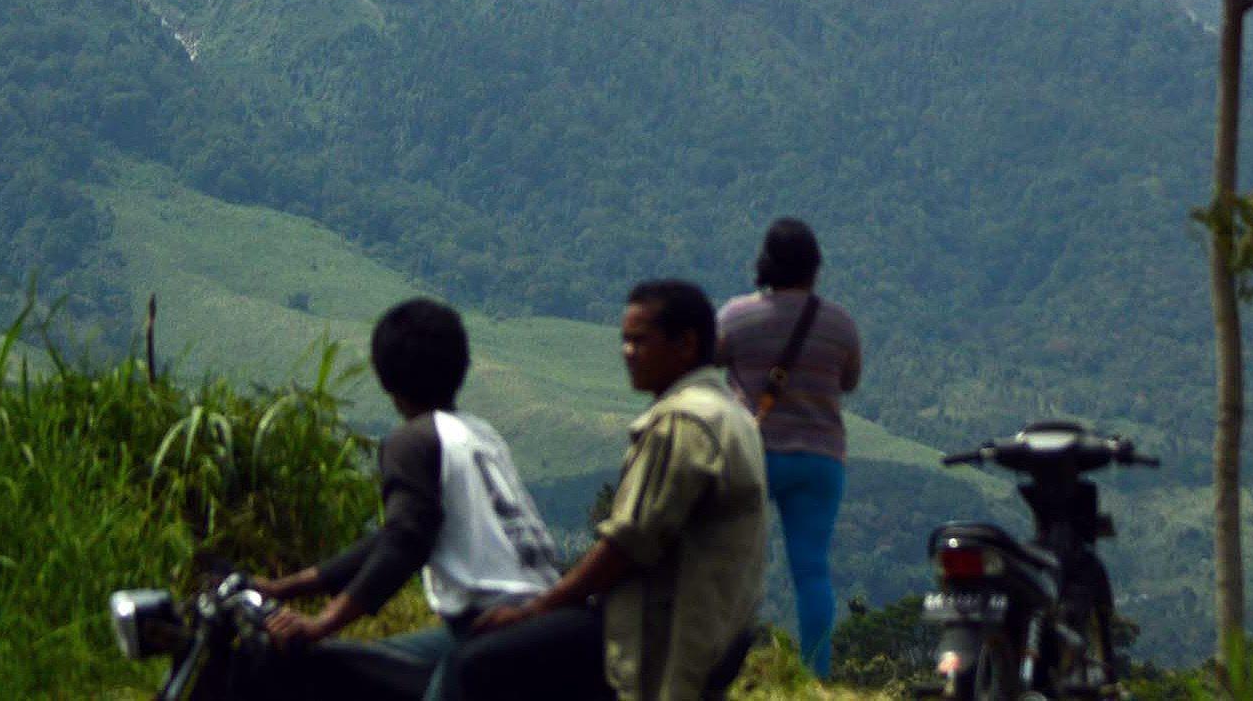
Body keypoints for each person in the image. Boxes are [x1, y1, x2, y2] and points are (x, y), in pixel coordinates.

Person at [457, 280, 768, 701]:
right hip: (722, 625)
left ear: (686, 343)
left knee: (479, 664)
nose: (628, 353)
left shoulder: (682, 422)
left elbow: (626, 545)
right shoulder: (730, 413)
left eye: (641, 341)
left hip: (661, 628)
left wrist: (536, 610)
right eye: (625, 340)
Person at [243, 298, 565, 698]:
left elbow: (406, 542)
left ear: (385, 378)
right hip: (545, 616)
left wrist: (322, 623)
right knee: (366, 665)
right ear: (460, 366)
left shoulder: (411, 441)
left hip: (498, 630)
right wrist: (284, 587)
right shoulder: (480, 434)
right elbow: (395, 534)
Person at [715, 217, 864, 678]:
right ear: (814, 267)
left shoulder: (735, 317)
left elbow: (708, 365)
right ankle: (815, 674)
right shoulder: (838, 323)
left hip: (753, 455)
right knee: (812, 571)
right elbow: (850, 380)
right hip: (820, 459)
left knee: (734, 566)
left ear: (764, 264)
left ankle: (721, 667)